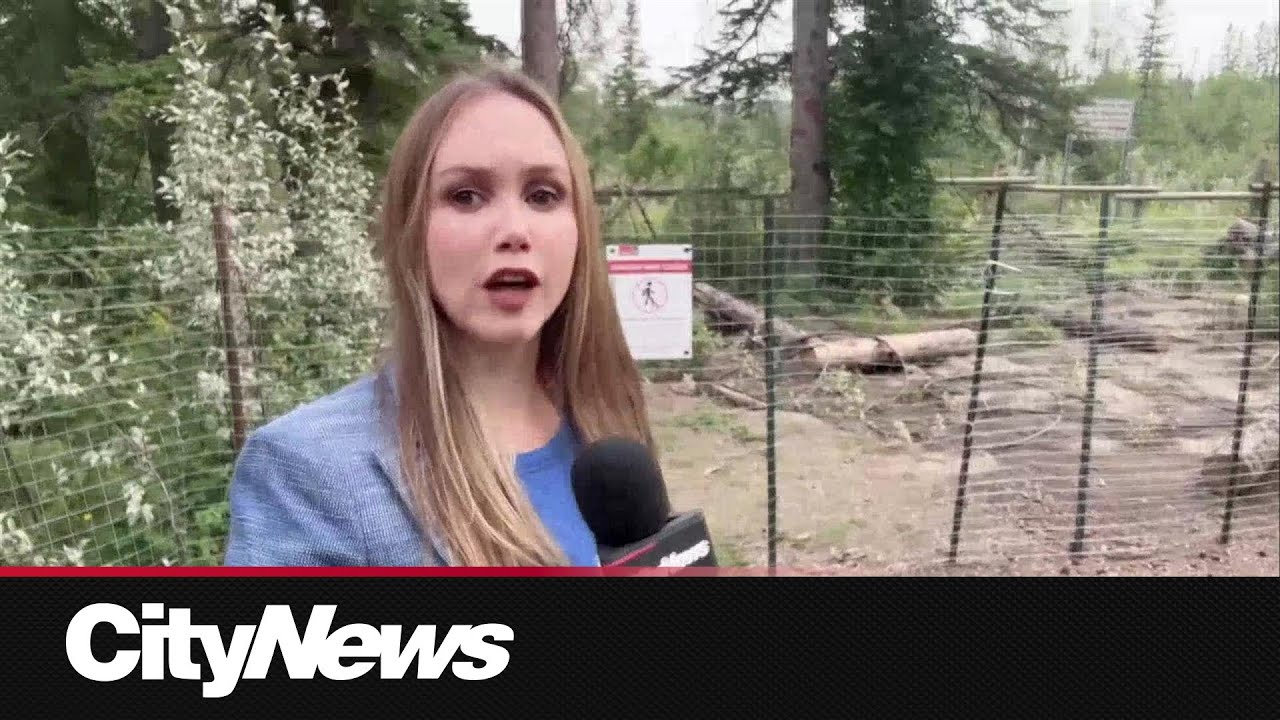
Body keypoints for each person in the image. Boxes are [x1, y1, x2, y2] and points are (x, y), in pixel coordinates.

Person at [223, 67, 655, 567]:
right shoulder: (306, 472)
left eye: (543, 195)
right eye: (465, 196)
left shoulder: (609, 424)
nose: (514, 231)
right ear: (410, 231)